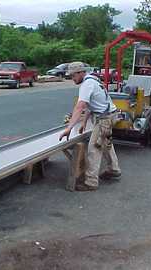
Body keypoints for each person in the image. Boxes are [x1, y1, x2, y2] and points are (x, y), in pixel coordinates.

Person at [59, 62, 121, 191]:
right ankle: (114, 169)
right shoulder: (93, 80)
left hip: (105, 118)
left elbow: (80, 106)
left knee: (94, 148)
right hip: (110, 115)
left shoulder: (87, 84)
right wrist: (83, 123)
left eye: (73, 76)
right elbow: (89, 105)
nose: (72, 79)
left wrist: (69, 128)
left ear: (81, 72)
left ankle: (91, 182)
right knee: (105, 142)